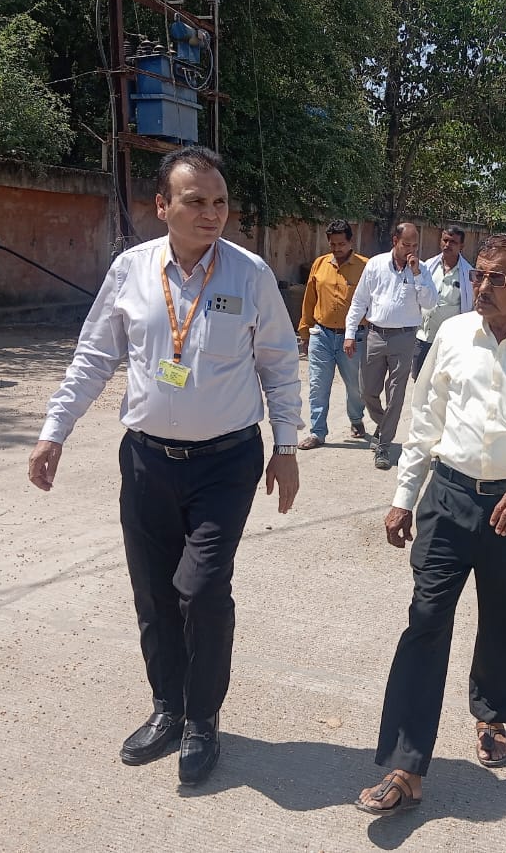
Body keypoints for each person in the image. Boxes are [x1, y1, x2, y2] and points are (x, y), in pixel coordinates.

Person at [27, 146, 302, 786]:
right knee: (153, 592)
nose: (212, 213)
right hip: (147, 461)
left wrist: (286, 447)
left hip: (226, 462)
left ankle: (202, 718)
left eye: (220, 202)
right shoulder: (130, 270)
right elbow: (94, 356)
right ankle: (167, 708)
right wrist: (53, 432)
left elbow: (279, 363)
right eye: (195, 201)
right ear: (162, 206)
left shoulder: (249, 274)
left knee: (200, 590)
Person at [354, 234, 506, 817]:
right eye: (479, 275)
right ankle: (405, 765)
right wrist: (403, 496)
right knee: (424, 621)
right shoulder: (452, 334)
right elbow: (425, 419)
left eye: (498, 278)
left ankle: (492, 716)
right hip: (449, 497)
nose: (483, 286)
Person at [344, 222, 437, 469]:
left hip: (405, 338)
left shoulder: (422, 269)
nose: (411, 250)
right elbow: (359, 301)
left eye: (415, 245)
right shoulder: (375, 265)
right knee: (367, 391)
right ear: (395, 241)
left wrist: (417, 275)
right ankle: (383, 424)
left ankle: (383, 446)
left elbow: (430, 303)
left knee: (395, 395)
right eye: (406, 244)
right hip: (375, 335)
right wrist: (350, 333)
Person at [297, 220, 369, 449]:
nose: (337, 248)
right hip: (322, 335)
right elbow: (309, 299)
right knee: (318, 385)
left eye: (341, 244)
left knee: (356, 385)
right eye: (332, 244)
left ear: (351, 242)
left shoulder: (366, 267)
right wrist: (305, 331)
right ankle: (317, 432)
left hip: (354, 337)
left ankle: (356, 418)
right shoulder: (320, 264)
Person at [412, 226, 473, 380]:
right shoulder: (428, 266)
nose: (447, 245)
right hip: (423, 337)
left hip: (449, 341)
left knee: (442, 383)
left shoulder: (468, 274)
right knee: (419, 381)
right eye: (445, 240)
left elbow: (469, 307)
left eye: (453, 242)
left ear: (461, 246)